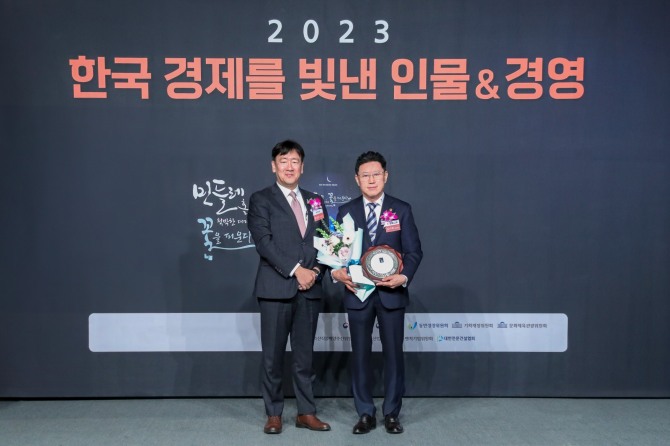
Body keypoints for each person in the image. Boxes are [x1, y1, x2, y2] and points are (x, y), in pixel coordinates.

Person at [332, 151, 422, 435]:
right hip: (358, 293)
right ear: (357, 179)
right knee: (360, 355)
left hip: (391, 294)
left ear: (385, 176)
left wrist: (404, 277)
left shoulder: (401, 209)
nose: (371, 180)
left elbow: (414, 252)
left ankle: (392, 413)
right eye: (365, 175)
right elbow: (336, 253)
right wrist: (336, 272)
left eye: (376, 174)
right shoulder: (345, 211)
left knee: (394, 355)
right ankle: (365, 413)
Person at [247, 140, 331, 435]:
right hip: (275, 289)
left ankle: (306, 412)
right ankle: (273, 414)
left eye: (295, 161)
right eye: (284, 161)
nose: (289, 166)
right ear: (274, 166)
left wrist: (316, 271)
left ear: (302, 167)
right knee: (273, 357)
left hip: (310, 290)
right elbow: (264, 243)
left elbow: (327, 241)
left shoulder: (316, 200)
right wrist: (297, 271)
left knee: (304, 357)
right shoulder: (261, 199)